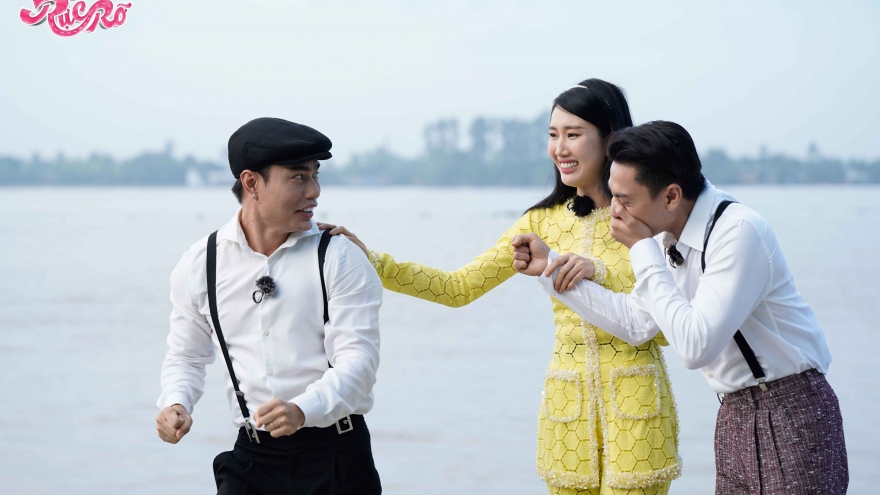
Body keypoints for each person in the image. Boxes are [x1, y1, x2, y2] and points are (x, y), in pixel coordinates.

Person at [321, 80, 682, 494]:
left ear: (610, 139)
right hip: (568, 416)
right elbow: (458, 288)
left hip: (637, 413)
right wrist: (371, 261)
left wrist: (596, 272)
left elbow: (666, 329)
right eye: (553, 135)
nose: (560, 148)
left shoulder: (646, 218)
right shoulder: (541, 222)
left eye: (574, 134)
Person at [512, 121, 848, 494]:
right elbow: (638, 323)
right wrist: (549, 269)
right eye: (613, 196)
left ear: (671, 196)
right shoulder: (668, 236)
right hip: (734, 412)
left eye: (625, 199)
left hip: (789, 408)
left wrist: (642, 250)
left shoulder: (737, 232)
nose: (615, 212)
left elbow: (695, 346)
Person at [155, 117, 383, 495]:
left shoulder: (340, 256)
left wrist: (303, 409)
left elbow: (359, 363)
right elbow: (186, 356)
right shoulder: (200, 264)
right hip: (251, 462)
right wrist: (176, 402)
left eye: (315, 175)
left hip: (337, 458)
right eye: (298, 178)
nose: (314, 191)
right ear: (251, 183)